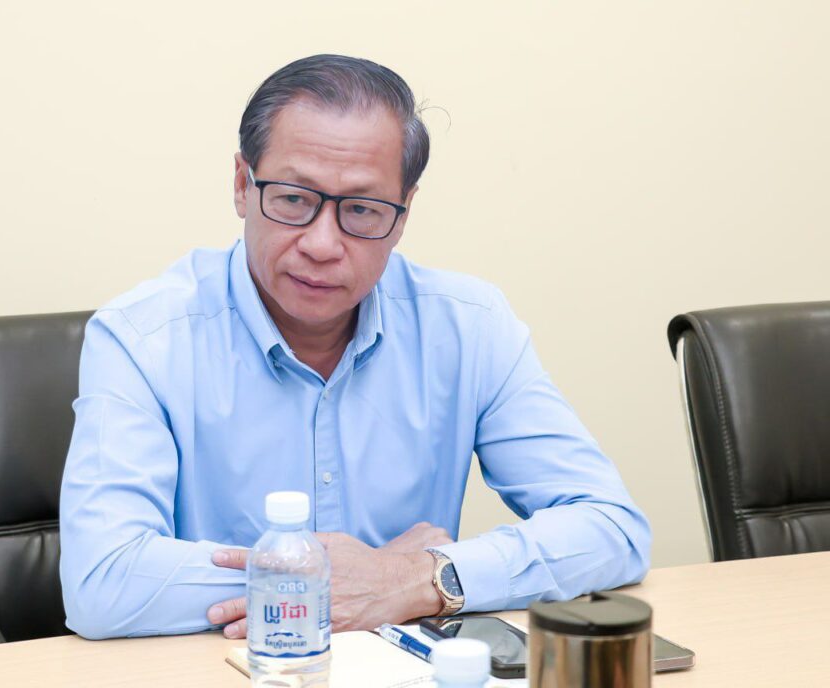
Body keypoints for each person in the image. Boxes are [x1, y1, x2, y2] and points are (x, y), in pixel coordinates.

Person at [59, 54, 650, 640]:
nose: (322, 244)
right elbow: (103, 582)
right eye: (294, 199)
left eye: (362, 210)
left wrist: (418, 577)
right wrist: (340, 577)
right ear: (242, 185)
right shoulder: (143, 339)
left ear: (404, 213)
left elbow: (611, 528)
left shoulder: (468, 327)